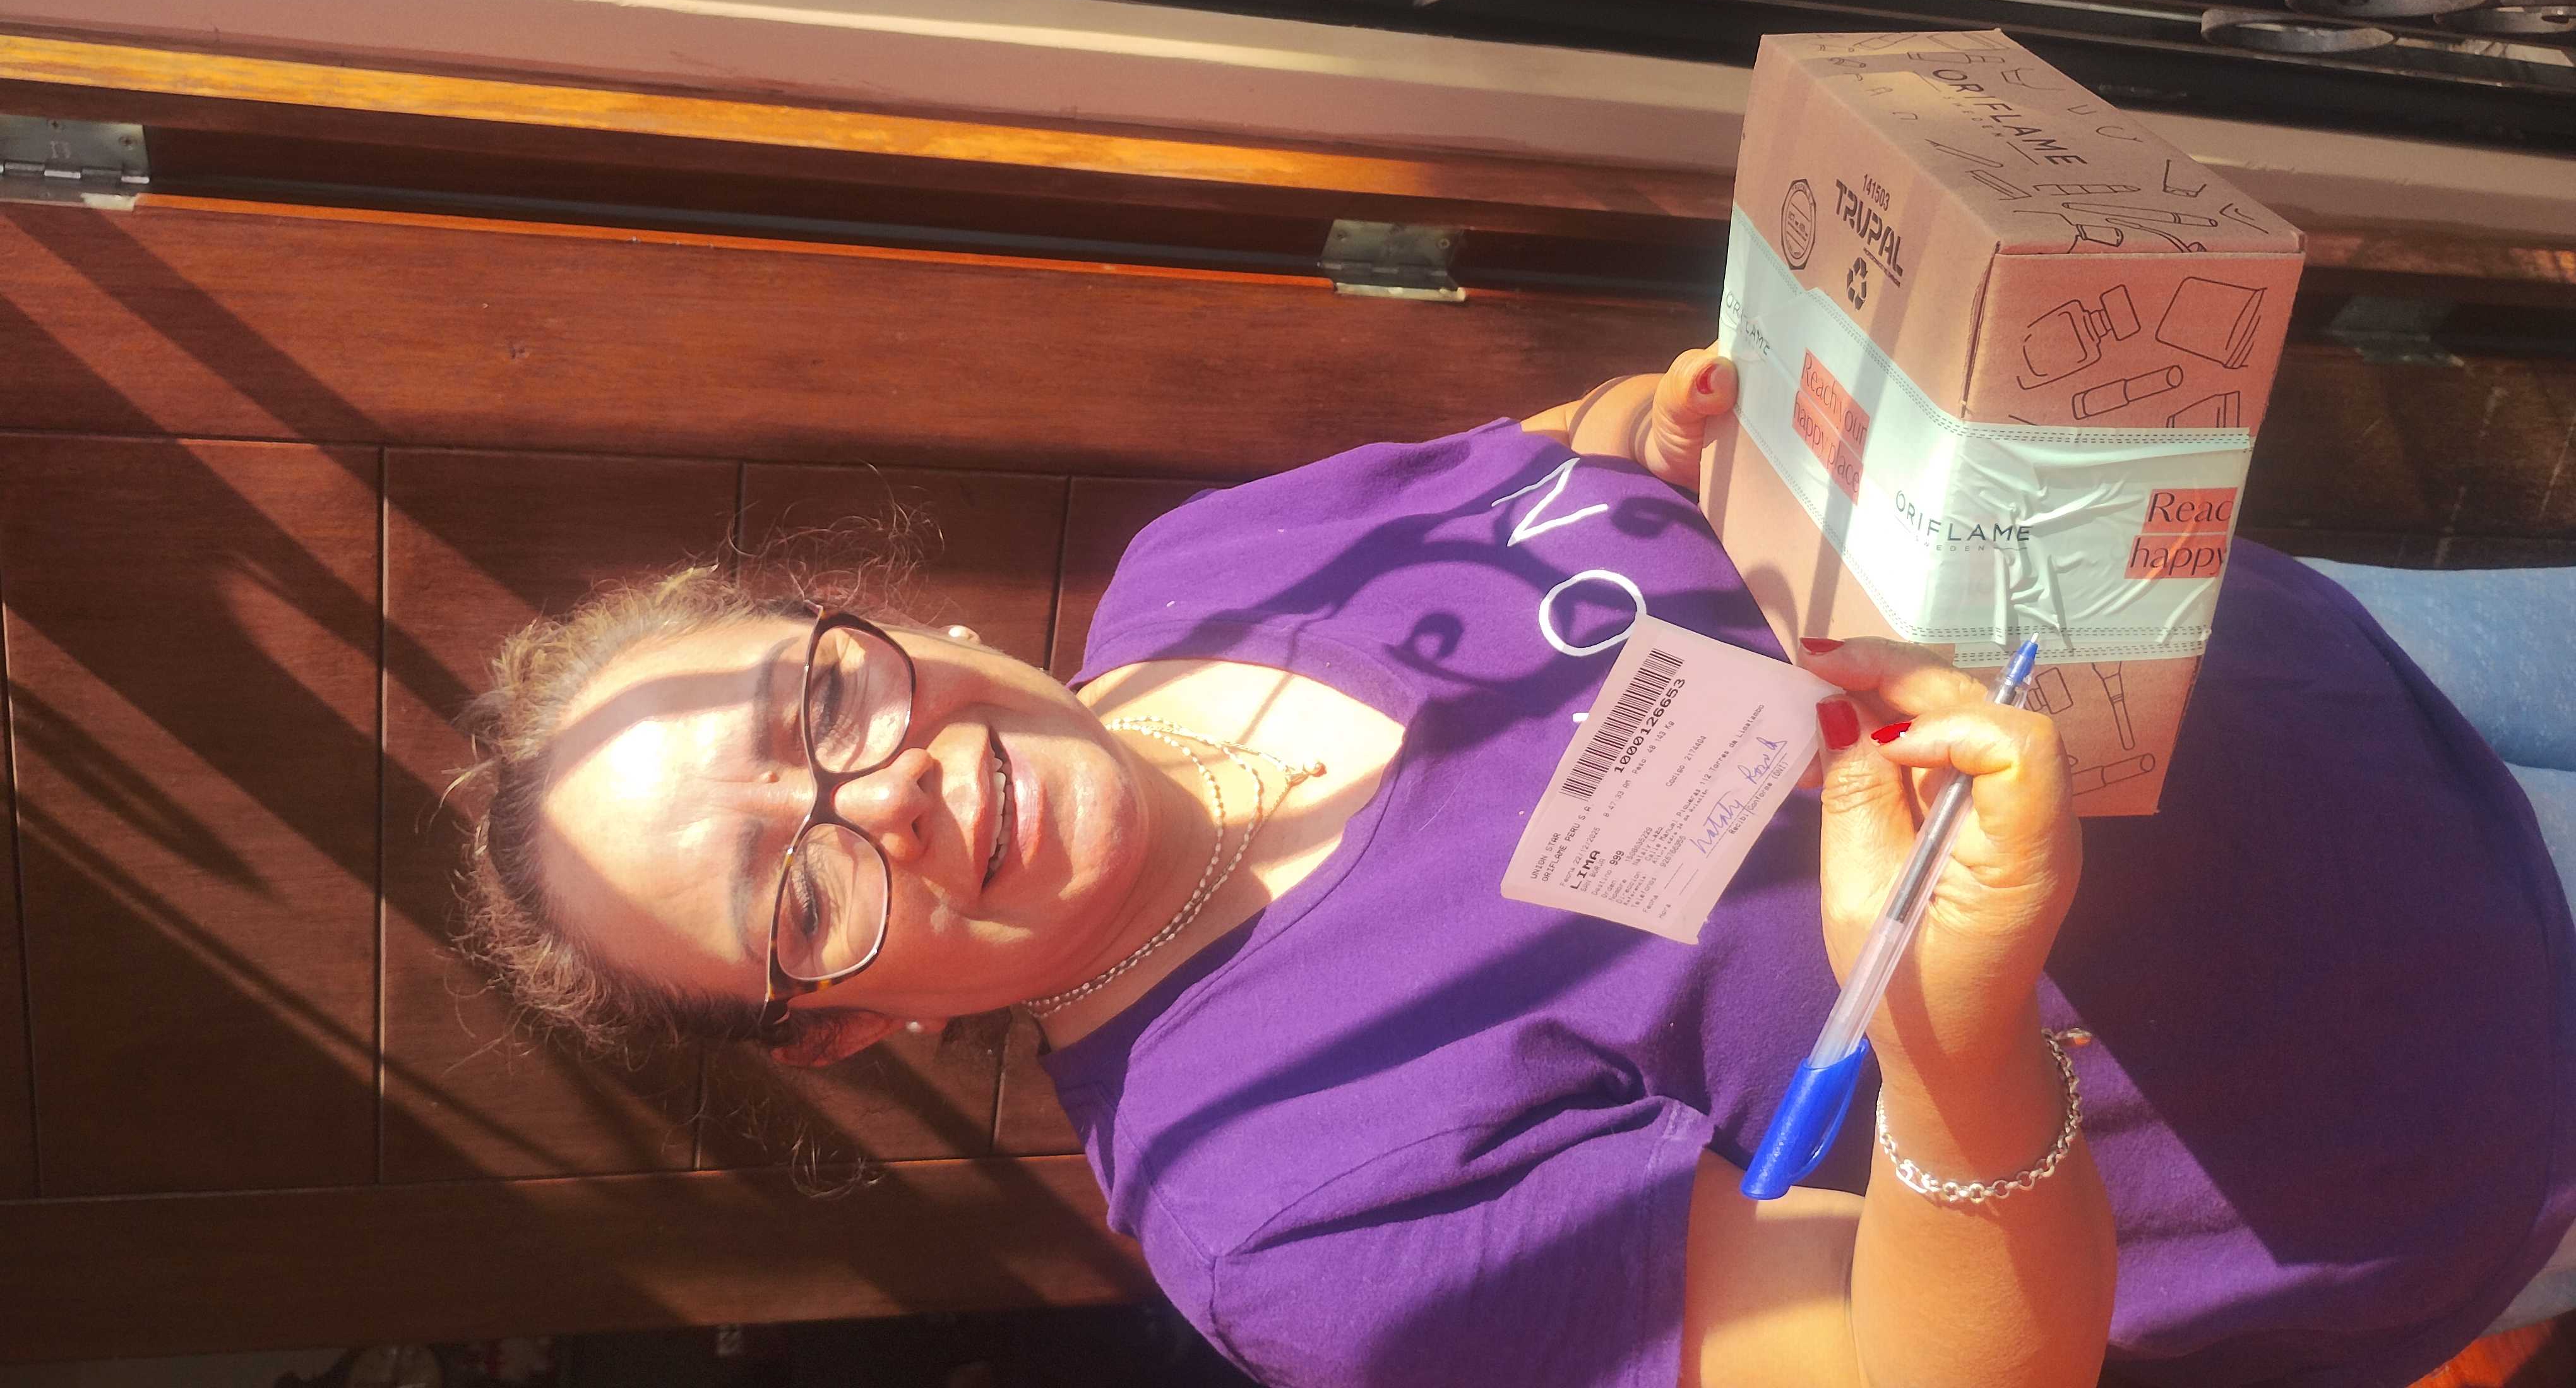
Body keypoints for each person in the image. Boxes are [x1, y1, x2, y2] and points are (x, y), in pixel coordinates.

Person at [454, 349, 2576, 1388]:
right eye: (800, 896)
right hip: (2444, 1070)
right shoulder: (1292, 1212)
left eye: (815, 704)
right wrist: (1950, 1023)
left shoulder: (1211, 563)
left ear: (885, 622)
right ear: (840, 1034)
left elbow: (1561, 461)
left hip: (2316, 651)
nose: (885, 798)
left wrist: (1646, 432)